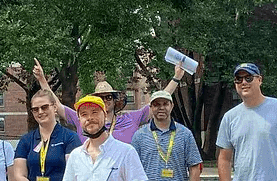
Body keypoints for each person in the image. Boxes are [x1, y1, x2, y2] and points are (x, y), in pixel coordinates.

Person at [32, 58, 184, 145]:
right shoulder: (83, 120)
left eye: (108, 97)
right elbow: (56, 105)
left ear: (115, 100)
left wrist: (176, 77)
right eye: (100, 98)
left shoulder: (131, 119)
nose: (105, 100)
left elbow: (160, 100)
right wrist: (42, 79)